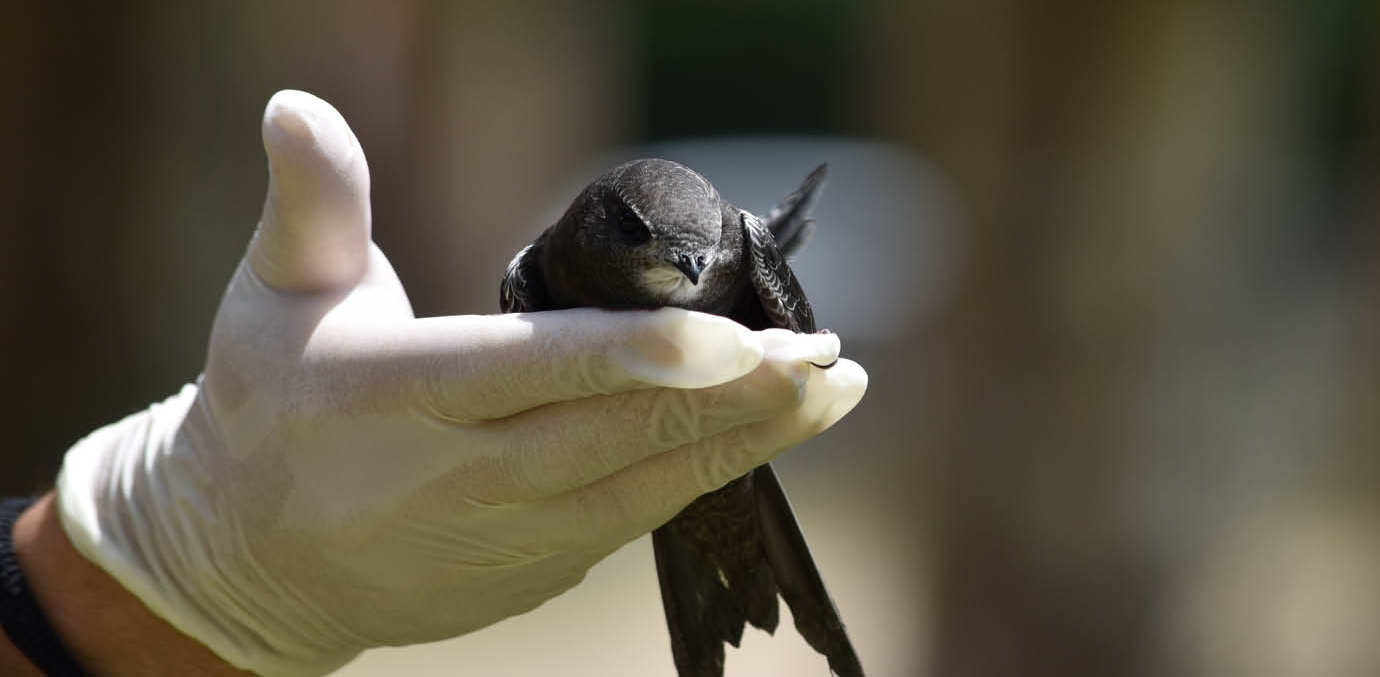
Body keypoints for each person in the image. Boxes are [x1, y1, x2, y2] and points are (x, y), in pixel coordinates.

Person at [0, 91, 867, 676]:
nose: (692, 263)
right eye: (658, 244)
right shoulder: (543, 268)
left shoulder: (729, 243)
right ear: (604, 225)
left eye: (705, 250)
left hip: (731, 455)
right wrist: (157, 565)